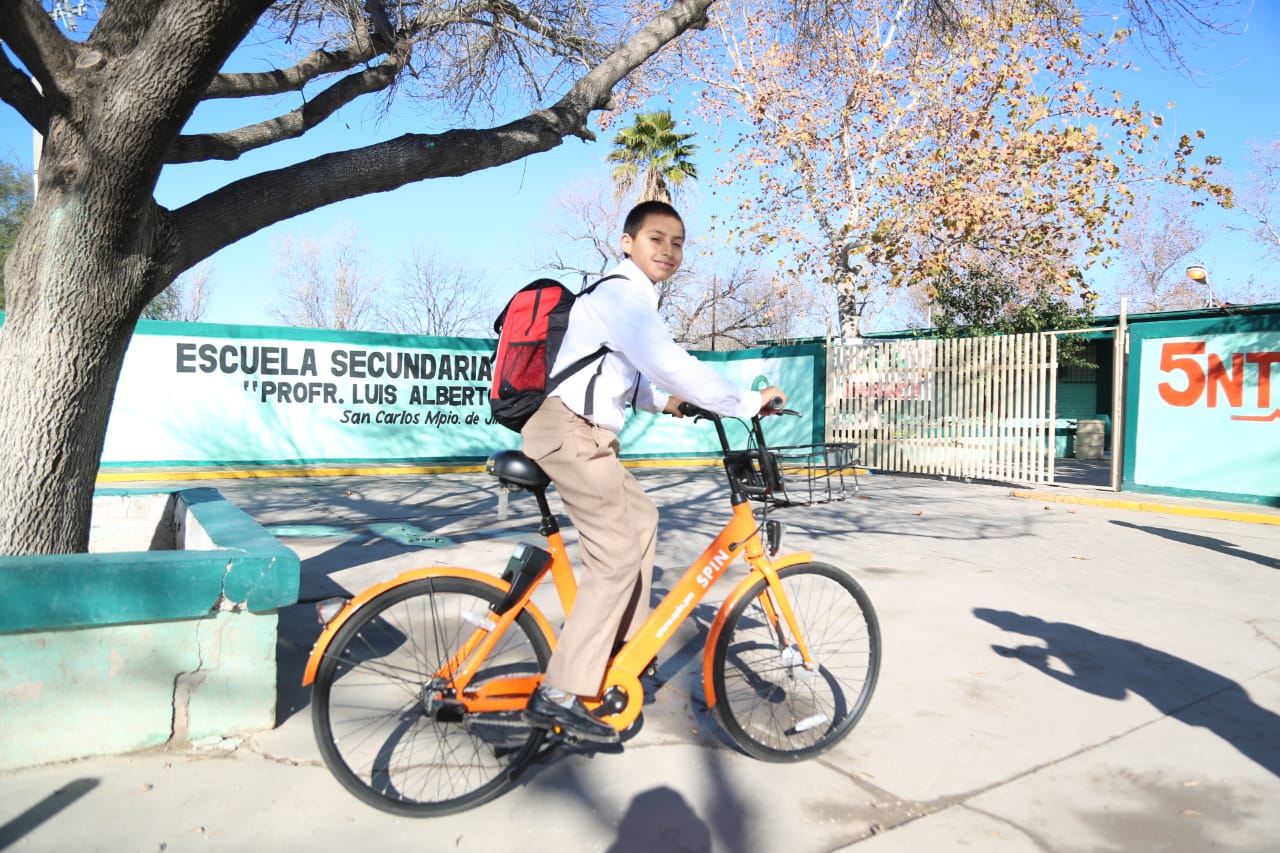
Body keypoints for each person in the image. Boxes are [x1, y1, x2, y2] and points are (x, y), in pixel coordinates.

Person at [521, 200, 786, 742]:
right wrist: (744, 400)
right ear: (627, 242)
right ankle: (560, 690)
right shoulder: (622, 294)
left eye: (677, 243)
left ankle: (617, 654)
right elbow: (667, 361)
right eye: (655, 239)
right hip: (569, 432)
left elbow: (632, 378)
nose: (668, 251)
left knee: (641, 520)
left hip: (587, 434)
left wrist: (676, 406)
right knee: (616, 554)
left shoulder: (626, 298)